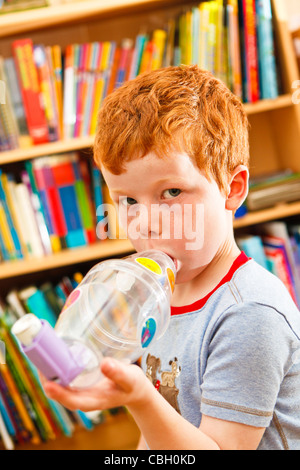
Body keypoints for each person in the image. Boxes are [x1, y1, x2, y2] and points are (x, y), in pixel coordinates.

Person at [44, 65, 300, 450]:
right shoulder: (155, 297)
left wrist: (139, 398)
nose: (145, 223)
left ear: (232, 188)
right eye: (128, 200)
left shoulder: (251, 312)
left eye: (172, 193)